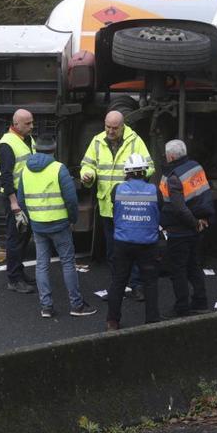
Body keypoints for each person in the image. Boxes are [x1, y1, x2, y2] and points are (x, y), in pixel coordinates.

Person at [17, 145, 97, 318]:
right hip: (60, 224)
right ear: (53, 150)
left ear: (36, 149)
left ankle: (46, 307)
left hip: (38, 225)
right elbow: (71, 199)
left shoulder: (25, 170)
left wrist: (33, 217)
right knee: (67, 263)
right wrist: (72, 219)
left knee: (42, 264)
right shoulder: (59, 169)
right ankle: (76, 305)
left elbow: (21, 199)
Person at [80, 110, 150, 298]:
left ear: (122, 126)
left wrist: (134, 179)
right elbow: (87, 164)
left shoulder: (134, 141)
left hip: (128, 205)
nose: (110, 131)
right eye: (107, 127)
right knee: (113, 249)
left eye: (114, 128)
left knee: (132, 246)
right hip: (107, 206)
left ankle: (136, 285)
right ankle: (119, 284)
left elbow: (149, 167)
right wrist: (88, 175)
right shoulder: (97, 141)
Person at [105, 153, 167, 330]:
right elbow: (160, 208)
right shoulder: (154, 190)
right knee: (150, 282)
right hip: (147, 243)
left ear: (126, 172)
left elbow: (114, 205)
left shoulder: (117, 190)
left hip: (123, 243)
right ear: (144, 172)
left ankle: (112, 321)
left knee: (118, 281)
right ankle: (152, 320)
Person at [158, 139, 213, 316]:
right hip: (197, 227)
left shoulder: (173, 177)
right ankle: (200, 302)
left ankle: (181, 307)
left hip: (180, 230)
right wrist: (202, 220)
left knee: (178, 271)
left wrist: (194, 223)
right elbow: (204, 194)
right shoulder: (195, 167)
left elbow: (179, 208)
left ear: (171, 156)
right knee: (193, 266)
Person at [0, 108, 36, 294]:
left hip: (26, 195)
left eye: (31, 122)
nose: (31, 126)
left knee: (24, 236)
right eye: (27, 124)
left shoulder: (26, 139)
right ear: (16, 124)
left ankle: (19, 272)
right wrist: (14, 204)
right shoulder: (7, 144)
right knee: (15, 238)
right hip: (15, 197)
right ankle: (13, 278)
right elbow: (7, 177)